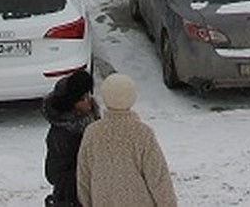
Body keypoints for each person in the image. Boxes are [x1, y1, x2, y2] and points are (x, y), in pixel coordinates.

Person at [76, 73, 177, 207]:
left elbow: (84, 178)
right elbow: (158, 178)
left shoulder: (92, 133)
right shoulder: (142, 133)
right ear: (133, 96)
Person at [43, 69, 99, 207]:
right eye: (83, 98)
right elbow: (54, 174)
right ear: (72, 104)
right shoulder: (62, 135)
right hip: (73, 197)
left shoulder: (92, 122)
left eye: (88, 95)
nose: (89, 101)